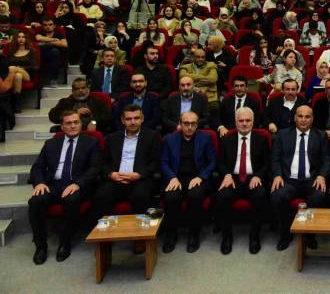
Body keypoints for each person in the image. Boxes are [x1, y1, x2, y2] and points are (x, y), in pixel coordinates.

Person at [28, 110, 101, 265]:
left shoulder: (91, 142)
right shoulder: (51, 143)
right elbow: (38, 167)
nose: (73, 126)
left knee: (71, 200)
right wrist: (40, 182)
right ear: (62, 126)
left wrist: (78, 184)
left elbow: (94, 168)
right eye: (69, 123)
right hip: (53, 185)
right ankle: (41, 246)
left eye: (76, 122)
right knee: (35, 201)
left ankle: (64, 243)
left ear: (81, 124)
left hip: (77, 185)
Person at [92, 105, 160, 237]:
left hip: (139, 179)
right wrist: (111, 174)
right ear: (123, 120)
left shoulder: (152, 136)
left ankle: (140, 237)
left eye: (136, 118)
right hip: (116, 179)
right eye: (129, 119)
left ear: (142, 119)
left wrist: (139, 174)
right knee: (101, 196)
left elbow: (156, 162)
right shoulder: (112, 138)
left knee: (141, 196)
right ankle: (105, 237)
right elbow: (103, 162)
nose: (133, 122)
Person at [270, 105, 330, 251]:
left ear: (312, 119)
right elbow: (275, 158)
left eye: (307, 116)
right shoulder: (282, 135)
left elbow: (326, 159)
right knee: (278, 195)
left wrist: (322, 176)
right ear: (295, 118)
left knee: (319, 196)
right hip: (288, 180)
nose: (303, 120)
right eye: (300, 116)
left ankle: (310, 234)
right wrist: (277, 175)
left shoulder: (321, 136)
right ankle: (286, 233)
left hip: (312, 180)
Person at [215, 107, 270, 255]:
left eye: (248, 120)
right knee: (222, 195)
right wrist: (226, 174)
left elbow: (267, 162)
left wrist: (258, 175)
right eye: (241, 120)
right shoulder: (226, 139)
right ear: (235, 122)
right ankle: (227, 237)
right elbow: (220, 161)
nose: (244, 123)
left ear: (253, 122)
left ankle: (254, 237)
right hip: (232, 178)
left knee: (260, 194)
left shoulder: (262, 139)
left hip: (253, 177)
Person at [161, 111, 216, 253]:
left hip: (197, 177)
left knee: (195, 196)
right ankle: (171, 234)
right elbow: (164, 162)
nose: (189, 127)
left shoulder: (205, 138)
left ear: (197, 125)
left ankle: (194, 234)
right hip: (176, 177)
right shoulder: (169, 139)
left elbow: (212, 161)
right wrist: (172, 177)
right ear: (180, 124)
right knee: (171, 197)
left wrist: (201, 177)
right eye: (186, 123)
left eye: (193, 124)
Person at [35, 18, 67, 87]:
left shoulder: (59, 34)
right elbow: (38, 38)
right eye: (45, 25)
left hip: (56, 56)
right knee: (54, 51)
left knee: (55, 52)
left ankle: (54, 79)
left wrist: (46, 43)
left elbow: (64, 44)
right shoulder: (40, 33)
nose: (48, 26)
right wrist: (54, 40)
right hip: (42, 55)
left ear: (54, 26)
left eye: (50, 24)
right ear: (43, 26)